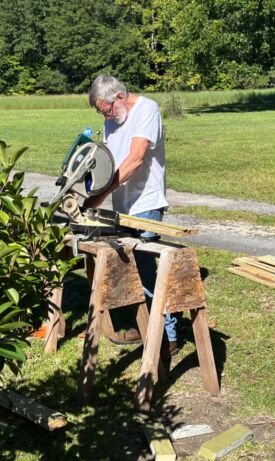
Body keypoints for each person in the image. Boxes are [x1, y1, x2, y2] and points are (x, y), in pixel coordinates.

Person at [85, 74, 178, 357]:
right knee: (134, 272)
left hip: (146, 204)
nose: (107, 117)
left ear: (120, 98)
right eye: (101, 113)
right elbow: (109, 162)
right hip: (124, 204)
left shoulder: (147, 109)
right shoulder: (111, 118)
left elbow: (136, 159)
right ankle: (148, 327)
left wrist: (99, 196)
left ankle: (167, 339)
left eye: (107, 110)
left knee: (149, 274)